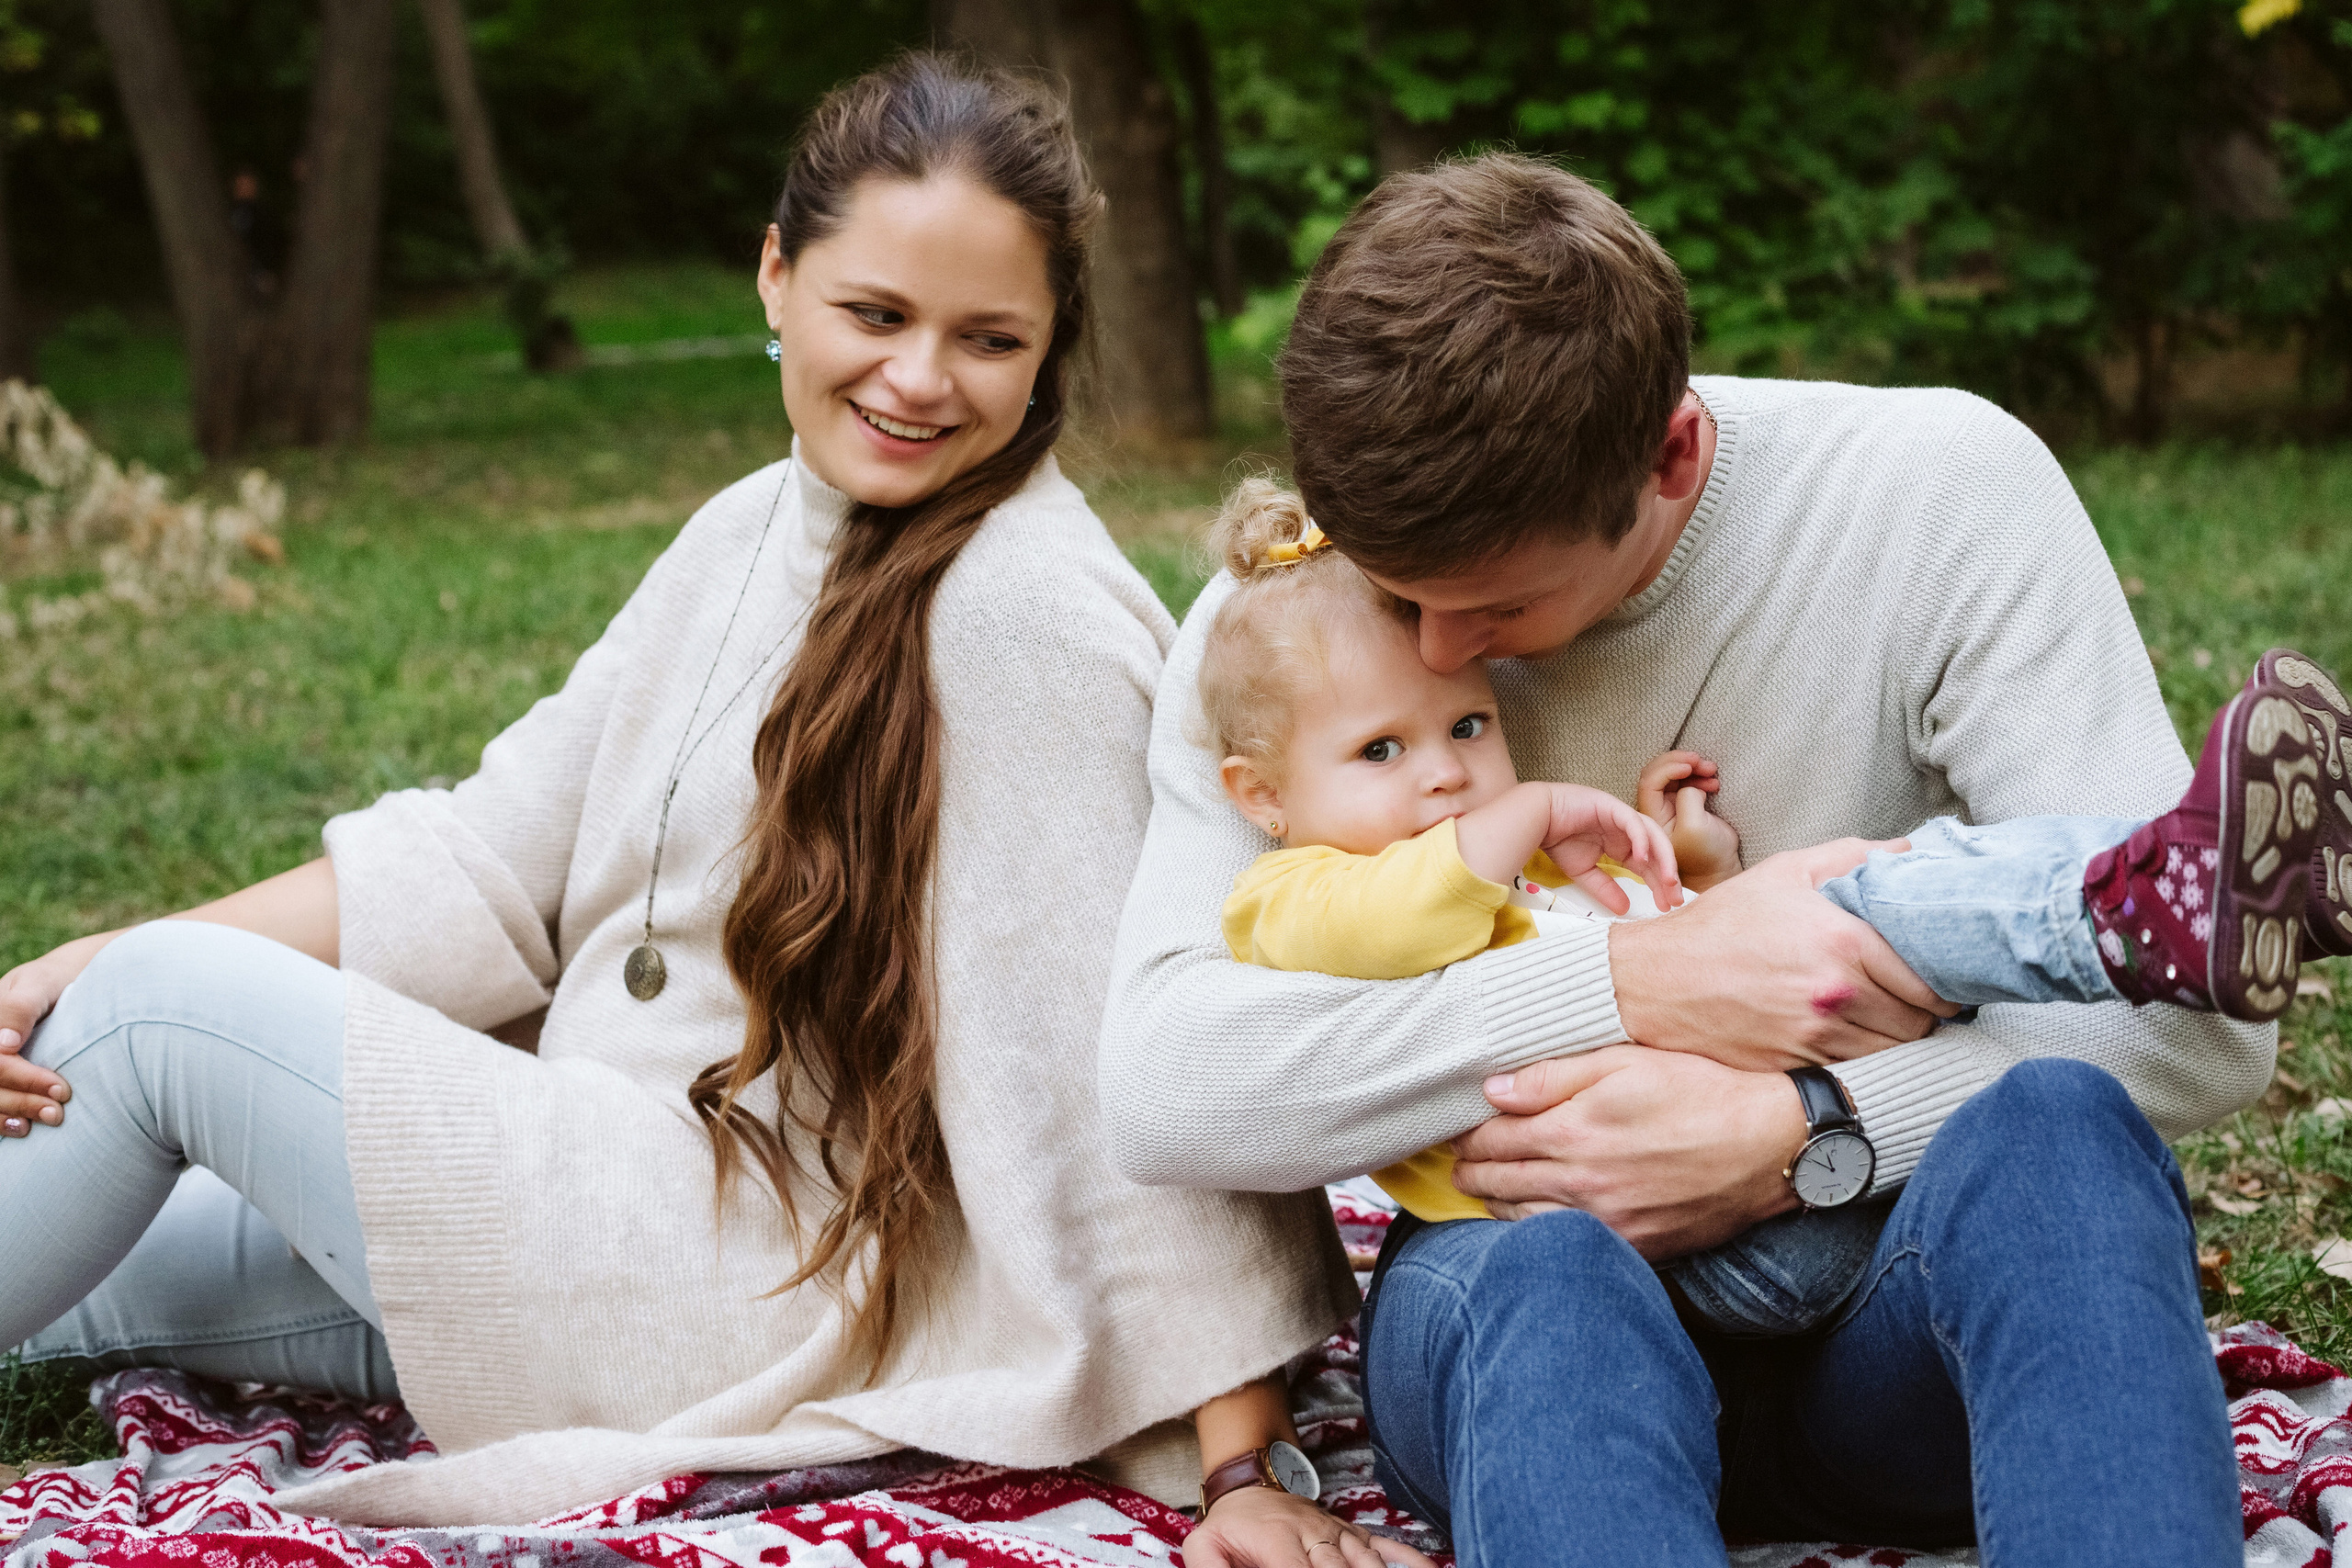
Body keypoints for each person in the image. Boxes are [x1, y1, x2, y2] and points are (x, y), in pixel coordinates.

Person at [0, 58, 1406, 1562]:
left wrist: (1247, 1471)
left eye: (987, 337)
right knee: (94, 1250)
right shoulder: (754, 522)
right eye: (877, 314)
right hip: (591, 1213)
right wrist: (47, 974)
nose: (922, 377)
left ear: (1050, 344)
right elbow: (485, 855)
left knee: (156, 1012)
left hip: (728, 1280)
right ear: (777, 276)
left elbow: (1124, 1060)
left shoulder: (1021, 615)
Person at [1099, 152, 2326, 1564]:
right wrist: (1642, 979)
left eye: (1493, 606)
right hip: (1530, 1315)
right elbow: (1165, 1080)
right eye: (1402, 595)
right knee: (1551, 1276)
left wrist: (1802, 1133)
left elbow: (2200, 1034)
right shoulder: (1291, 621)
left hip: (1881, 1312)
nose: (1439, 664)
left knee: (2061, 1134)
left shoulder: (1939, 498)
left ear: (1669, 455)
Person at [1194, 476, 2339, 1336]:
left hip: (1793, 1200)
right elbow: (1393, 929)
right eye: (1380, 749)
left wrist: (1689, 878)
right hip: (1642, 1266)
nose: (1442, 773)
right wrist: (1524, 810)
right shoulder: (1288, 896)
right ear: (1265, 797)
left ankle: (2157, 892)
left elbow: (1680, 977)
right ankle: (2148, 896)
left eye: (1467, 729)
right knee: (1863, 904)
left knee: (1868, 887)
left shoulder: (1515, 877)